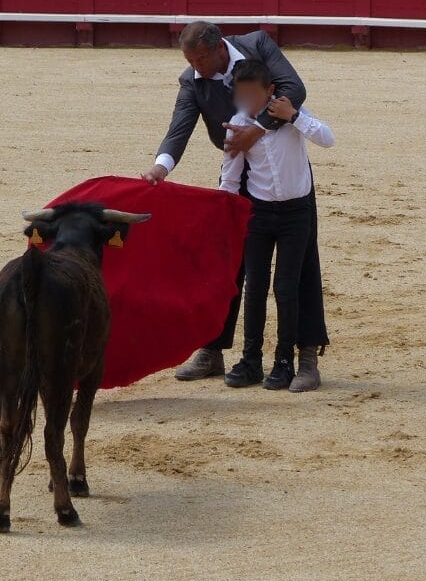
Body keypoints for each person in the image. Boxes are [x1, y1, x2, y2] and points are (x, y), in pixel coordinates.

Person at [141, 21, 330, 381]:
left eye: (199, 58)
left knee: (300, 263)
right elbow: (179, 128)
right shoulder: (192, 81)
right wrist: (160, 167)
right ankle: (213, 350)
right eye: (189, 59)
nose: (194, 66)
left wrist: (256, 130)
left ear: (219, 49)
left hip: (288, 174)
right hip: (237, 168)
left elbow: (295, 89)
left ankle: (306, 356)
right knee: (226, 261)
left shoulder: (257, 44)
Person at [219, 60, 334, 391]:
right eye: (241, 96)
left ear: (270, 91)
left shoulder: (291, 113)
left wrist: (295, 116)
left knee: (286, 287)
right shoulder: (240, 124)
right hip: (258, 213)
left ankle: (284, 361)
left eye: (253, 95)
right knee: (254, 286)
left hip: (297, 214)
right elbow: (230, 177)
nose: (248, 103)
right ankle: (250, 360)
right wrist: (225, 215)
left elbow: (328, 139)